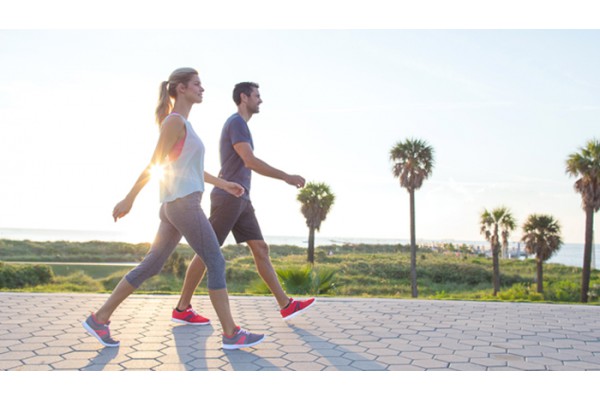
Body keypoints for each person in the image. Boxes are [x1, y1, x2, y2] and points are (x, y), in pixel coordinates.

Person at [82, 68, 264, 350]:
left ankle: (100, 318)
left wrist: (224, 184)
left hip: (174, 205)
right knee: (215, 261)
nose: (202, 89)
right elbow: (155, 163)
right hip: (182, 204)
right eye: (197, 84)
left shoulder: (184, 125)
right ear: (180, 88)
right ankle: (231, 334)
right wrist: (129, 198)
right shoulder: (174, 122)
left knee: (151, 265)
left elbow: (190, 168)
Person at [171, 82, 315, 325]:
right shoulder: (236, 123)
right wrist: (286, 177)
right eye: (257, 96)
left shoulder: (241, 125)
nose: (260, 100)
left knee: (260, 248)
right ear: (243, 97)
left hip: (241, 198)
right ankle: (182, 308)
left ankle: (286, 305)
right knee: (208, 251)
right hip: (229, 197)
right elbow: (249, 161)